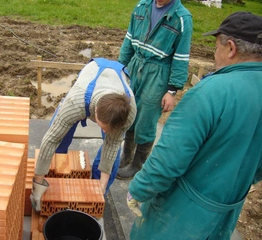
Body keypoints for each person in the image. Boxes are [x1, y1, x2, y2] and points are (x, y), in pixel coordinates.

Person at [126, 11, 262, 240]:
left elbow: (167, 161)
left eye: (216, 46)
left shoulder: (209, 93)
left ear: (230, 48)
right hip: (224, 213)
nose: (214, 53)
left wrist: (137, 190)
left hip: (180, 215)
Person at [30, 58, 137, 212]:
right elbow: (50, 140)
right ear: (95, 113)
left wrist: (100, 189)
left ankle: (97, 189)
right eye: (103, 127)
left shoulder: (130, 112)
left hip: (118, 78)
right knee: (58, 134)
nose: (105, 132)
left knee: (113, 148)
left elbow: (111, 147)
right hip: (90, 78)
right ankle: (56, 174)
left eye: (109, 129)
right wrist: (38, 184)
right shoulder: (76, 103)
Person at [116, 0, 193, 179]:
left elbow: (181, 57)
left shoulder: (181, 18)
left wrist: (172, 90)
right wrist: (120, 68)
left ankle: (138, 164)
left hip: (158, 72)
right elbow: (128, 40)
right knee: (129, 111)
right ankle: (126, 156)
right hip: (136, 65)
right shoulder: (141, 7)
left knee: (146, 119)